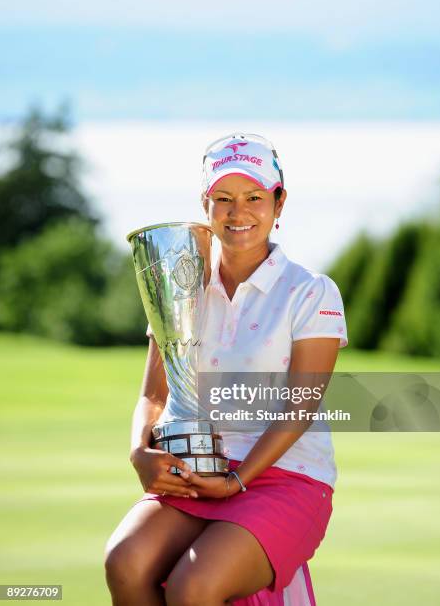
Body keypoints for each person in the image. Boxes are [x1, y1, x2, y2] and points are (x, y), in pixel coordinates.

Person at [104, 132, 348, 605]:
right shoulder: (182, 286)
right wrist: (139, 452)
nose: (239, 213)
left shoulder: (312, 292)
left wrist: (236, 481)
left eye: (255, 197)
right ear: (206, 205)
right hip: (198, 468)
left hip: (286, 477)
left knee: (194, 586)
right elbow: (154, 396)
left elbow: (300, 407)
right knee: (125, 560)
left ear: (279, 203)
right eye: (224, 199)